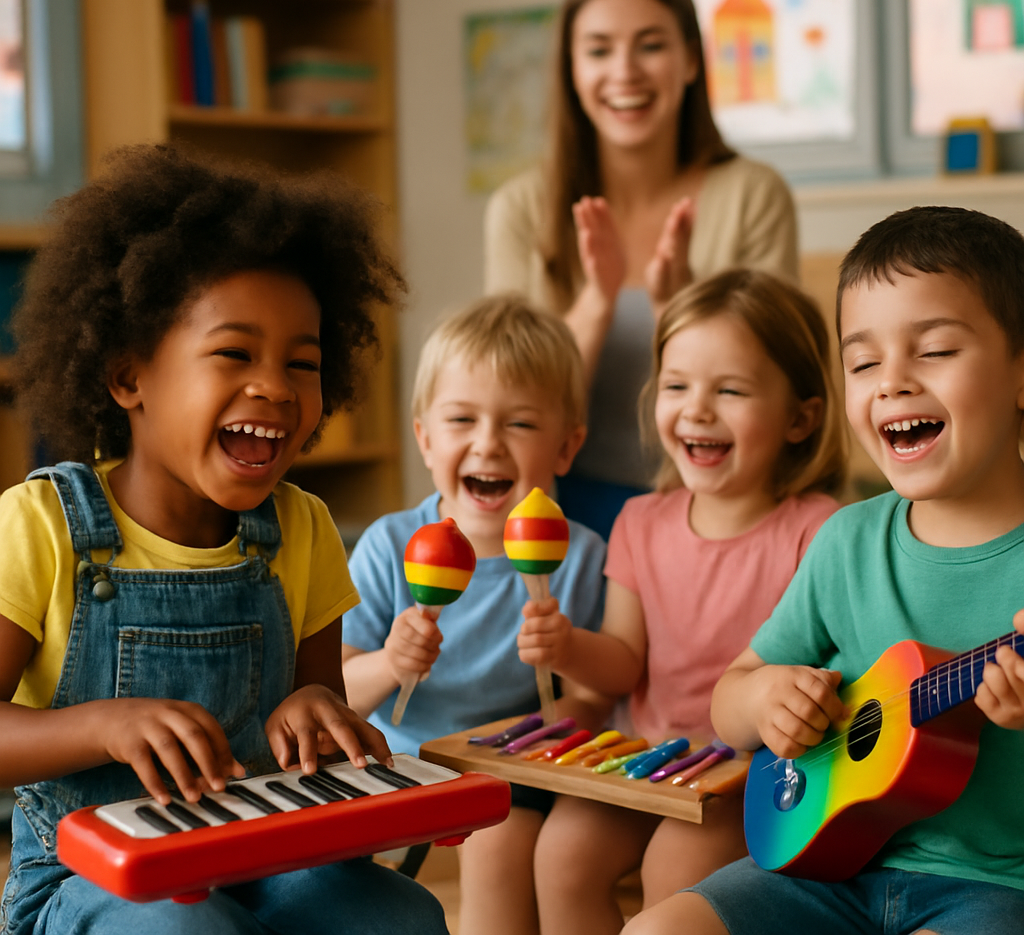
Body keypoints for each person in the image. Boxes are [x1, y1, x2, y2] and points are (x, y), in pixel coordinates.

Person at [0, 145, 449, 935]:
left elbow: (316, 700)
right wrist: (104, 724)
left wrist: (318, 712)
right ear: (128, 374)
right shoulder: (43, 527)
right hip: (86, 878)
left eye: (302, 363)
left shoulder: (301, 528)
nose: (275, 385)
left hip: (262, 854)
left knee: (397, 915)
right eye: (235, 353)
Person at [625, 206, 1024, 935]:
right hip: (828, 868)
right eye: (864, 362)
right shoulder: (847, 542)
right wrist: (766, 699)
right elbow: (731, 699)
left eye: (933, 350)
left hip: (995, 888)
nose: (892, 383)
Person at [519, 269, 845, 934]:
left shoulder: (821, 529)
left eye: (729, 390)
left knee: (673, 873)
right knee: (559, 854)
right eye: (676, 387)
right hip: (643, 759)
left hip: (744, 780)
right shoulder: (640, 520)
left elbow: (837, 676)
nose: (696, 410)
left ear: (800, 417)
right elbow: (623, 663)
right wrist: (567, 648)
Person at [484, 0, 799, 539]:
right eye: (599, 50)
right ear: (572, 70)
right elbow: (507, 404)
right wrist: (596, 303)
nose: (625, 71)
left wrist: (680, 309)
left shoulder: (753, 195)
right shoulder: (520, 208)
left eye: (650, 46)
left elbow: (779, 385)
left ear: (689, 61)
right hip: (554, 509)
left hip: (715, 508)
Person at [342, 295, 610, 935]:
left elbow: (597, 701)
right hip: (395, 764)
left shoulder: (579, 557)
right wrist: (389, 661)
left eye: (519, 424)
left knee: (497, 838)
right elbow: (337, 695)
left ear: (567, 447)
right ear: (425, 438)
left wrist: (563, 682)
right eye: (462, 419)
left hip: (516, 773)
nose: (487, 443)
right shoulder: (388, 546)